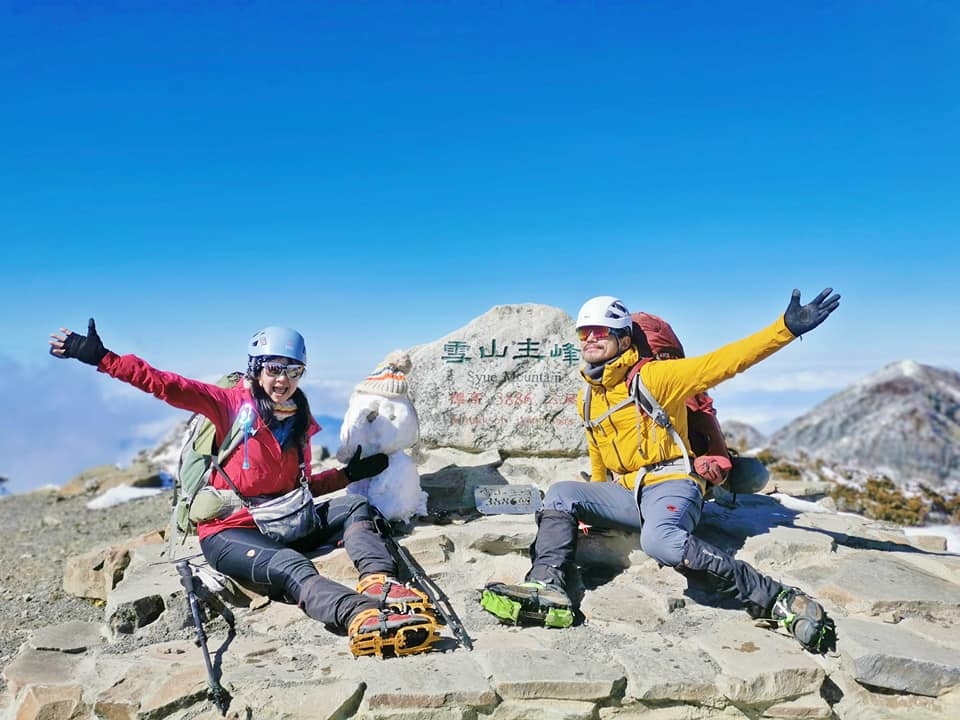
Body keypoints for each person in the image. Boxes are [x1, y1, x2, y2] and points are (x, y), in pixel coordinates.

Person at [50, 320, 437, 657]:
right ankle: (359, 614)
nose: (283, 380)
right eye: (273, 369)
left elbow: (297, 487)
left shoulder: (298, 417)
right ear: (256, 368)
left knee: (356, 508)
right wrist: (103, 358)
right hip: (231, 531)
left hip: (286, 520)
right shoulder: (228, 404)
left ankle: (381, 583)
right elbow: (167, 385)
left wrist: (349, 475)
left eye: (294, 370)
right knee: (290, 565)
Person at [481, 289, 840, 654]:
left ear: (623, 339)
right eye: (584, 332)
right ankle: (547, 587)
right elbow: (598, 454)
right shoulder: (587, 395)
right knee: (561, 492)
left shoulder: (657, 378)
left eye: (601, 332)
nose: (590, 338)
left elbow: (727, 361)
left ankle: (774, 598)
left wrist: (786, 329)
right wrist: (595, 507)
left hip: (671, 484)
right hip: (628, 492)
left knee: (660, 542)